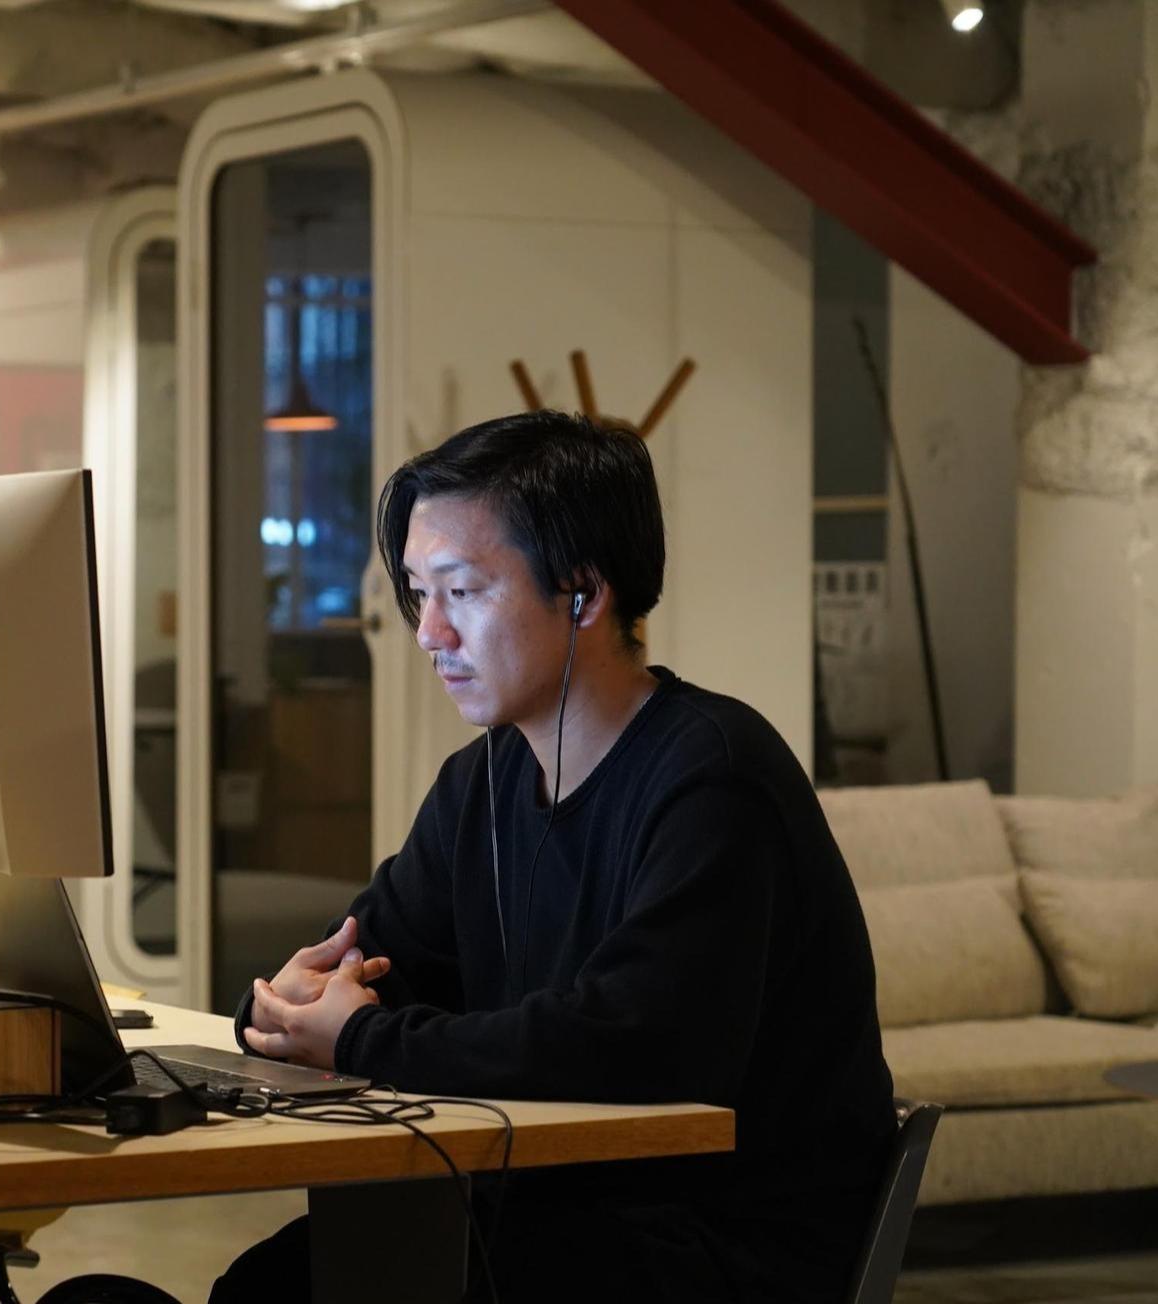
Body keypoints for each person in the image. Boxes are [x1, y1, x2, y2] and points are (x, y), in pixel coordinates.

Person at [212, 411, 896, 1302]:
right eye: (419, 593)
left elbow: (633, 1046)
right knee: (266, 1285)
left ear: (583, 592)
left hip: (718, 1245)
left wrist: (361, 1037)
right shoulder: (482, 782)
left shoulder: (716, 778)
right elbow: (374, 960)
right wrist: (282, 1007)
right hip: (552, 1209)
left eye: (462, 591)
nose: (429, 633)